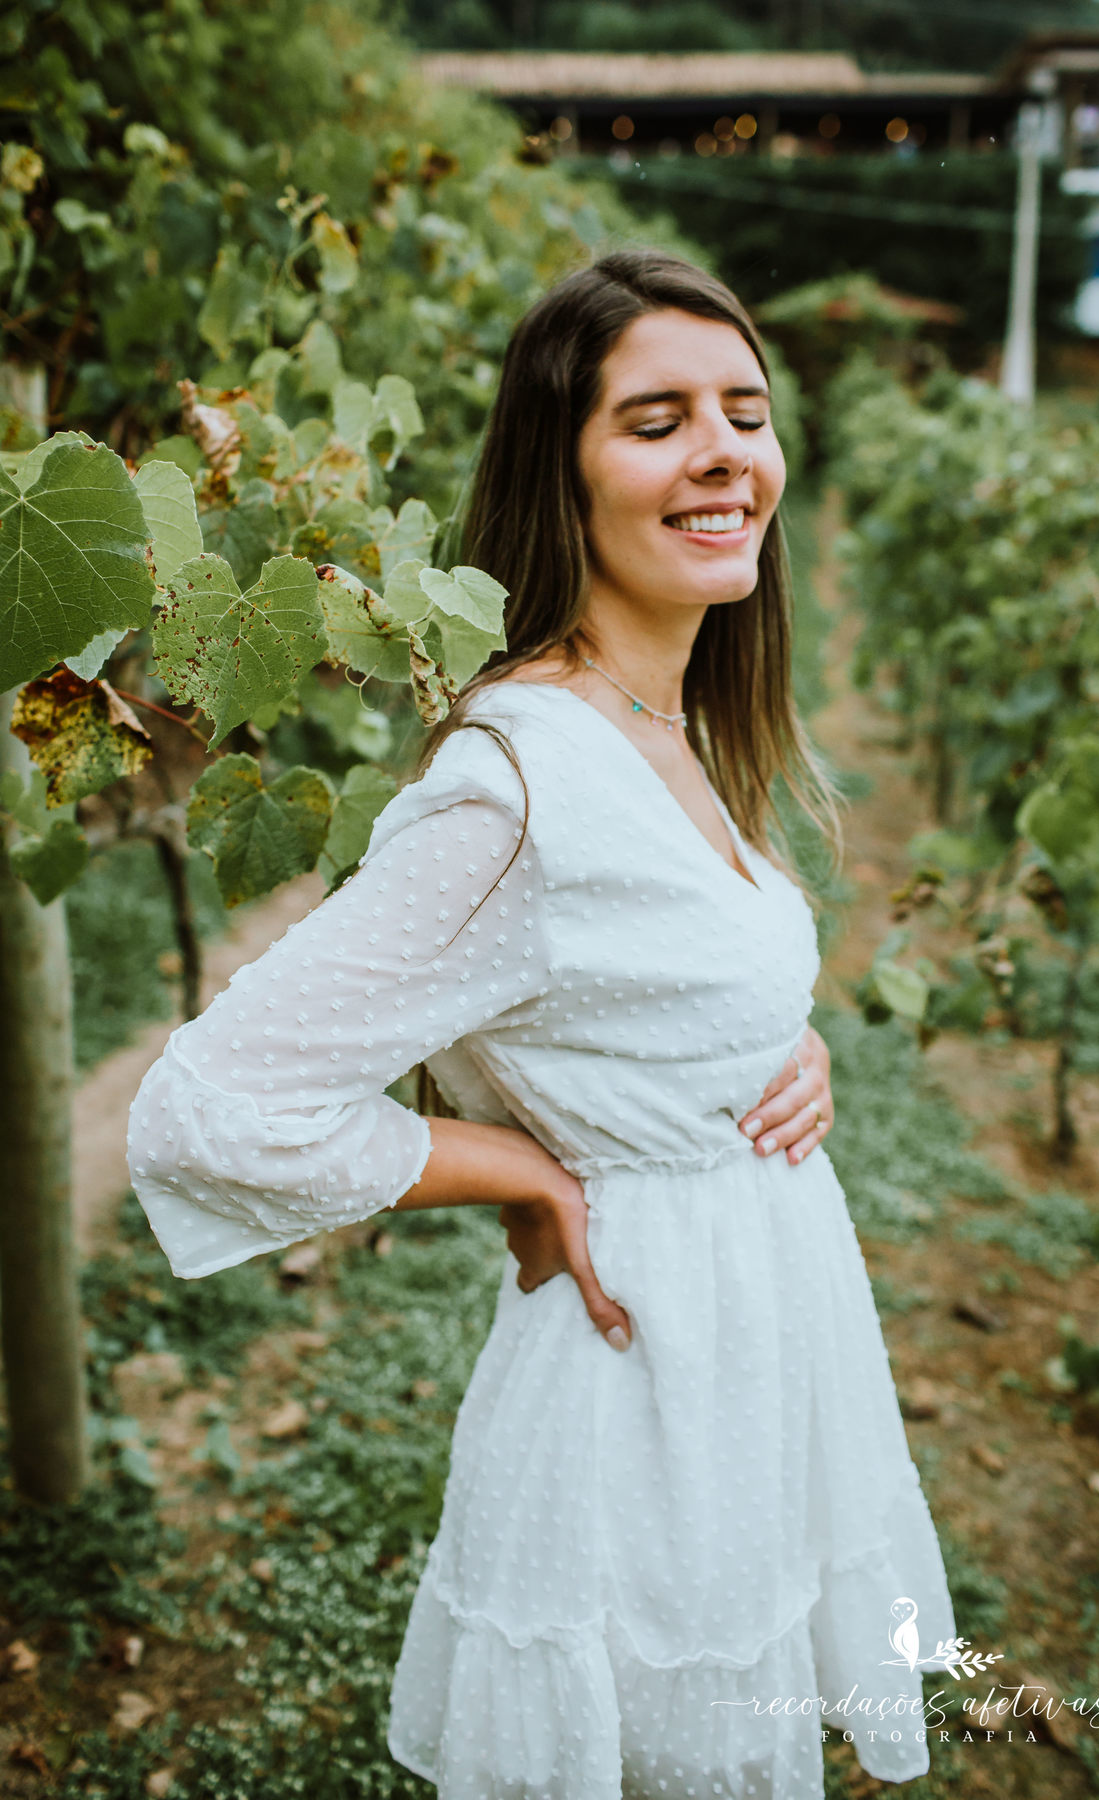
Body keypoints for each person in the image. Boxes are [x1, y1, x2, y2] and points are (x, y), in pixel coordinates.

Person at [127, 247, 957, 1799]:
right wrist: (526, 1171)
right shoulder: (513, 784)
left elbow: (636, 978)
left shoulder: (670, 722)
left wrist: (779, 1041)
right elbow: (209, 1107)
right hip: (642, 1382)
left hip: (759, 1341)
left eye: (745, 410)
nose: (724, 451)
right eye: (657, 421)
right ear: (560, 478)